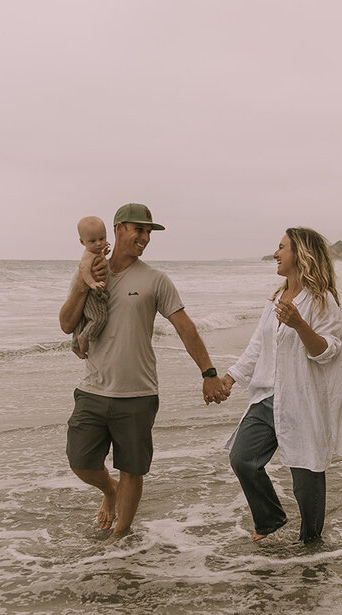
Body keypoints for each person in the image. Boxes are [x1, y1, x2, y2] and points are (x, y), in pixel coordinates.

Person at [59, 203, 228, 541]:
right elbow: (66, 324)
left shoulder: (156, 280)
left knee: (133, 470)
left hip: (138, 394)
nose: (145, 237)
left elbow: (185, 327)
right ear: (119, 228)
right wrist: (82, 284)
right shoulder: (89, 271)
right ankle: (109, 490)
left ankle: (120, 535)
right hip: (93, 389)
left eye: (149, 232)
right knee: (80, 461)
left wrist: (208, 373)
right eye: (140, 229)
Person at [222, 227, 342, 544]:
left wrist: (299, 324)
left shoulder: (323, 301)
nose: (276, 254)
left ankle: (311, 542)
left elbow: (327, 351)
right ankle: (269, 519)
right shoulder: (277, 298)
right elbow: (258, 346)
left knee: (306, 475)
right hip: (268, 397)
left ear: (301, 254)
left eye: (282, 247)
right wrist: (230, 377)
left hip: (302, 399)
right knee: (242, 458)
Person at [70, 216, 111, 359]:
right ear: (82, 242)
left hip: (91, 290)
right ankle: (85, 337)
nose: (99, 243)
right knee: (99, 318)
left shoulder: (95, 251)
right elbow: (84, 269)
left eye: (102, 238)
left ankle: (75, 344)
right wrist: (92, 284)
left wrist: (103, 254)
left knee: (82, 319)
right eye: (93, 241)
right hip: (92, 291)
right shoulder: (87, 255)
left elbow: (97, 257)